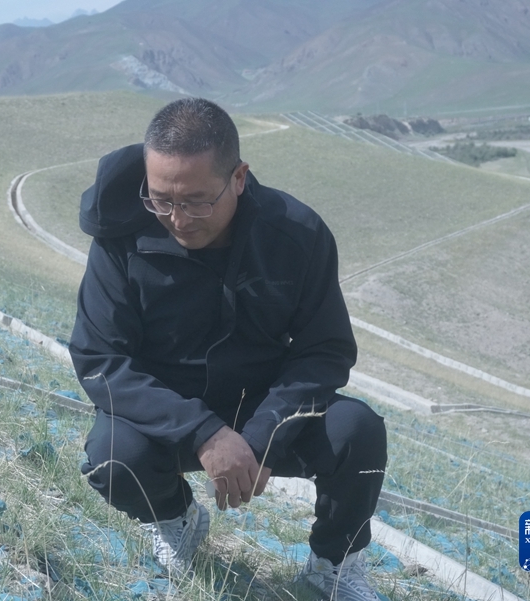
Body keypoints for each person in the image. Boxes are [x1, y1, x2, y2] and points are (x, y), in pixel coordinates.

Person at [69, 98, 387, 600]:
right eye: (161, 200)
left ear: (238, 177)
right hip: (166, 414)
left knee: (358, 431)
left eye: (197, 202)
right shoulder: (120, 234)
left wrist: (262, 435)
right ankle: (175, 517)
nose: (178, 219)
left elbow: (325, 351)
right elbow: (100, 361)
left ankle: (334, 565)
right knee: (113, 455)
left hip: (265, 408)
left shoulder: (296, 234)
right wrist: (202, 432)